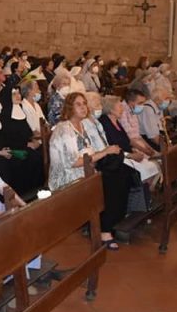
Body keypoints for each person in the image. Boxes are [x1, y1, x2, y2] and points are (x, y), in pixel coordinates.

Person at [48, 93, 128, 249]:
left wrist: (106, 152)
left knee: (122, 172)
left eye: (84, 103)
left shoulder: (82, 125)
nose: (83, 107)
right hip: (68, 176)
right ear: (69, 107)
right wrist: (104, 153)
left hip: (87, 169)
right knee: (109, 182)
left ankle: (111, 221)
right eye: (78, 104)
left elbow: (90, 152)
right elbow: (73, 162)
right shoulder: (64, 129)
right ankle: (103, 229)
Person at [118, 89, 158, 157]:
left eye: (143, 103)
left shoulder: (133, 109)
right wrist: (145, 150)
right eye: (140, 103)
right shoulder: (122, 111)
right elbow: (129, 139)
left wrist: (149, 148)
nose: (142, 106)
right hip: (129, 148)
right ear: (130, 102)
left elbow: (137, 135)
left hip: (138, 144)